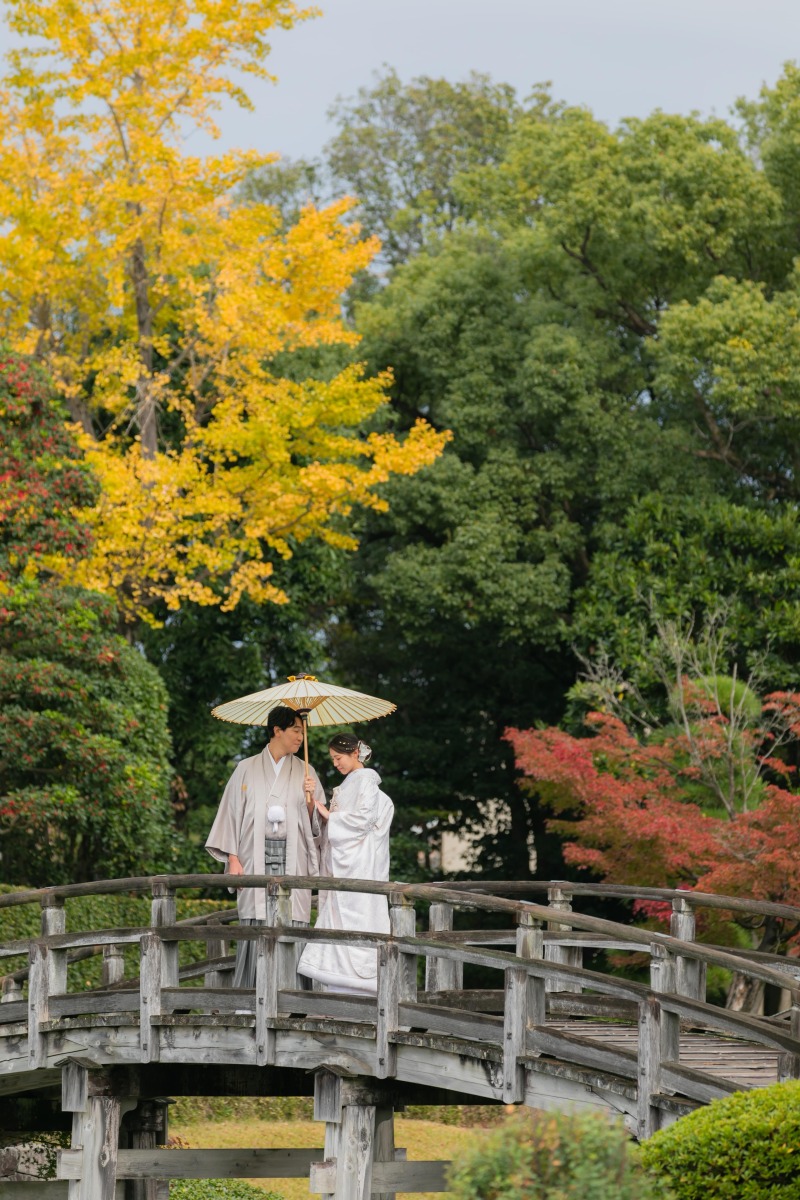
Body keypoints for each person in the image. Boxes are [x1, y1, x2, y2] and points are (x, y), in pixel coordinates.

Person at [205, 706, 325, 988]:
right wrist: (233, 858)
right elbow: (231, 815)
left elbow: (319, 826)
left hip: (294, 857)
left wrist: (311, 802)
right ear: (277, 730)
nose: (301, 737)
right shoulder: (245, 768)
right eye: (296, 730)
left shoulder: (307, 771)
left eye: (302, 731)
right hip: (253, 857)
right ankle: (250, 994)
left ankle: (293, 997)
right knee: (256, 920)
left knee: (292, 920)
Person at [298, 733, 394, 995]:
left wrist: (330, 815)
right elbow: (335, 825)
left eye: (338, 758)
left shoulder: (366, 783)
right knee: (339, 922)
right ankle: (337, 991)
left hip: (359, 863)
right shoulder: (350, 783)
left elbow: (363, 819)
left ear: (354, 753)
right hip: (344, 862)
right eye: (332, 759)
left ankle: (358, 992)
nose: (335, 763)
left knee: (358, 921)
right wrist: (312, 804)